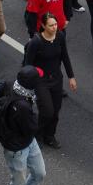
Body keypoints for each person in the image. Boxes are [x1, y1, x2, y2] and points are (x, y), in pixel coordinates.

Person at [25, 13, 76, 149]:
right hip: (41, 81)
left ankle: (49, 136)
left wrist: (71, 77)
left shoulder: (60, 36)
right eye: (51, 25)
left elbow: (65, 56)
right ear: (43, 26)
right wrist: (27, 85)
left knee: (56, 111)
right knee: (47, 110)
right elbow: (27, 64)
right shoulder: (36, 42)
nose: (55, 27)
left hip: (57, 79)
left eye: (55, 24)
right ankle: (35, 134)